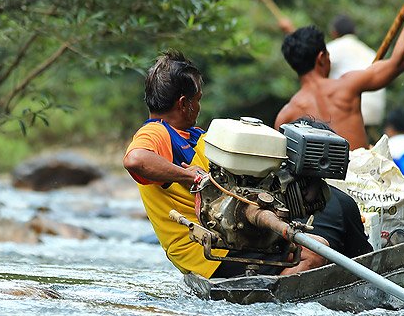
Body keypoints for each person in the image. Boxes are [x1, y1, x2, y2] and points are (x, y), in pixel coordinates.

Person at [122, 50, 370, 279]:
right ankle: (277, 304)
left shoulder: (195, 135)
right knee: (314, 254)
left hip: (232, 237)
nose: (198, 107)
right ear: (183, 103)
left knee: (321, 243)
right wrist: (191, 177)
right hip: (205, 251)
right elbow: (135, 161)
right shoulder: (157, 134)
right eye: (197, 100)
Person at [274, 0, 404, 150]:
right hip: (357, 175)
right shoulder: (347, 86)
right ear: (321, 58)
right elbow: (400, 61)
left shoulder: (286, 115)